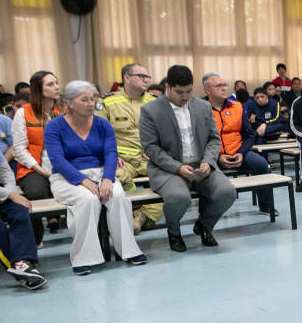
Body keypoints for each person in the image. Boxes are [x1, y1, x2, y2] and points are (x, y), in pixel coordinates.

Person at [44, 81, 146, 275]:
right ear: (70, 103)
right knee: (88, 199)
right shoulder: (54, 127)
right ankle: (83, 257)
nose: (91, 103)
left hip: (101, 173)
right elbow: (57, 160)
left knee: (116, 196)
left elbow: (110, 153)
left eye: (93, 99)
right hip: (67, 177)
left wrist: (108, 179)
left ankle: (129, 251)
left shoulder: (102, 124)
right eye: (85, 99)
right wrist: (83, 181)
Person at [139, 65, 237, 253]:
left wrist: (208, 161)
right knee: (178, 197)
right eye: (179, 92)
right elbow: (151, 148)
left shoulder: (203, 106)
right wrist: (177, 168)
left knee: (227, 193)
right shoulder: (150, 111)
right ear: (167, 87)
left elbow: (213, 139)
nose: (185, 97)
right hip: (168, 169)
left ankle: (204, 226)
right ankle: (174, 232)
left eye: (189, 91)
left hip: (201, 166)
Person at [95, 63, 163, 235]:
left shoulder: (156, 102)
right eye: (141, 76)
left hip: (151, 159)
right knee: (113, 177)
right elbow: (98, 135)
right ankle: (138, 207)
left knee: (173, 183)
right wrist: (111, 155)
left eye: (147, 77)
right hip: (124, 161)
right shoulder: (107, 102)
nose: (146, 80)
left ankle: (141, 216)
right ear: (127, 78)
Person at [202, 73, 275, 215]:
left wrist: (241, 153)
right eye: (219, 86)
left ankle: (265, 205)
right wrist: (217, 157)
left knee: (262, 164)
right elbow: (198, 140)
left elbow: (248, 135)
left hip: (237, 152)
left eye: (225, 85)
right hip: (213, 156)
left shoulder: (236, 107)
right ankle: (205, 215)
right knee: (203, 174)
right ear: (207, 90)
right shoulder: (199, 109)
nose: (224, 89)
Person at [12, 71, 62, 246]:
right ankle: (35, 239)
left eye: (56, 82)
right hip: (33, 168)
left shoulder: (63, 110)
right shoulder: (24, 112)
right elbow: (19, 149)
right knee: (36, 193)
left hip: (63, 164)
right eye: (50, 84)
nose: (56, 87)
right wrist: (42, 171)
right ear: (37, 89)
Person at [0, 144, 45, 289]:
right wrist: (10, 194)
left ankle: (23, 261)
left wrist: (11, 194)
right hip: (0, 193)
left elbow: (5, 170)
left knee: (19, 208)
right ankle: (19, 268)